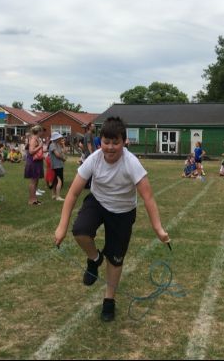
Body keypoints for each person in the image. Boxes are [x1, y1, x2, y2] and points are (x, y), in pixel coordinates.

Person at [54, 117, 170, 322]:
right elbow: (72, 194)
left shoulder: (131, 163)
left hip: (123, 211)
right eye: (106, 142)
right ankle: (95, 259)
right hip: (98, 202)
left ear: (124, 142)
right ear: (100, 141)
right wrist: (62, 227)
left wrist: (158, 228)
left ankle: (109, 300)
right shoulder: (94, 159)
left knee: (116, 258)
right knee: (80, 231)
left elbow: (148, 197)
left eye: (115, 142)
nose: (110, 147)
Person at [24, 125, 45, 205]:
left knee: (36, 181)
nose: (42, 132)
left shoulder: (37, 139)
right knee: (33, 182)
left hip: (37, 161)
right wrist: (40, 146)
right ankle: (31, 200)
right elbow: (31, 151)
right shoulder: (33, 139)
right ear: (39, 131)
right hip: (33, 162)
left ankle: (34, 199)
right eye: (41, 131)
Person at [48, 132, 67, 201]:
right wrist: (63, 159)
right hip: (56, 166)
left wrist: (63, 144)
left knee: (55, 181)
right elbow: (57, 155)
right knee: (59, 181)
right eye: (59, 138)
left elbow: (64, 151)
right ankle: (58, 196)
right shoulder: (52, 145)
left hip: (59, 165)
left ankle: (54, 195)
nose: (60, 139)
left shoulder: (58, 144)